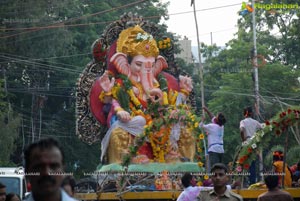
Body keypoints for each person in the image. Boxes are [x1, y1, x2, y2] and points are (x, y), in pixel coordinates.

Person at [239, 106, 262, 185]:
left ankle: (242, 181)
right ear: (251, 114)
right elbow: (263, 128)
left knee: (242, 162)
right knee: (252, 163)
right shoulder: (255, 122)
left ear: (245, 114)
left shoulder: (243, 122)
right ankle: (252, 182)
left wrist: (243, 140)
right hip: (254, 144)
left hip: (246, 143)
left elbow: (242, 130)